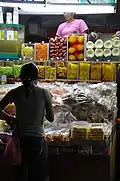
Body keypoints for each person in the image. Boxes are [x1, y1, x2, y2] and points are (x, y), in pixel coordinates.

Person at [0, 62, 54, 181]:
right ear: (37, 78)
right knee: (38, 174)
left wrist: (8, 117)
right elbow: (51, 118)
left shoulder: (15, 92)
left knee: (22, 172)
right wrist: (42, 109)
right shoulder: (44, 93)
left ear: (20, 78)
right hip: (37, 140)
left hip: (20, 140)